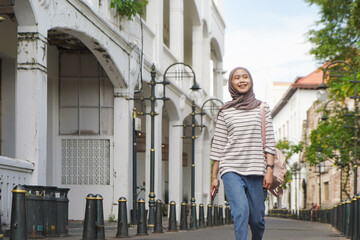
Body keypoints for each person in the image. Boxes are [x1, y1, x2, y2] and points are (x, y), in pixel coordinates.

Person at [210, 67, 276, 240]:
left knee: (257, 220)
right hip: (231, 168)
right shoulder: (225, 111)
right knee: (241, 211)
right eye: (236, 78)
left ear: (251, 80)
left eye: (245, 77)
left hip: (257, 170)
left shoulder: (262, 108)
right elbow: (219, 144)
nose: (241, 80)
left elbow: (269, 142)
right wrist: (214, 176)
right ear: (231, 83)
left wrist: (269, 170)